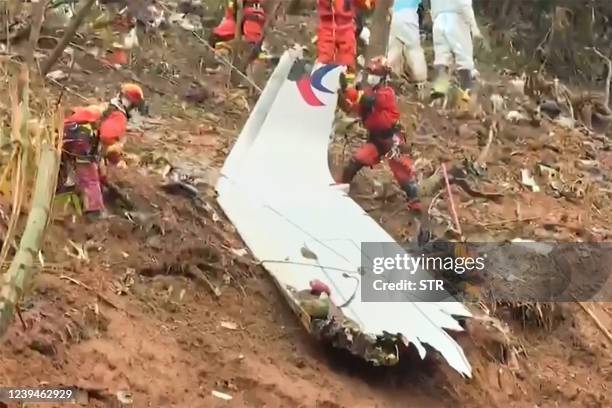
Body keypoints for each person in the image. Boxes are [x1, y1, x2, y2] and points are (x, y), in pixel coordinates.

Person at [336, 56, 421, 211]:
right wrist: (342, 96)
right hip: (375, 139)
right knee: (357, 160)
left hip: (391, 139)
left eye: (375, 73)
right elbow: (354, 107)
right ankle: (341, 187)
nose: (371, 76)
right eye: (370, 73)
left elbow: (367, 100)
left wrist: (350, 89)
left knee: (403, 173)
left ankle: (415, 203)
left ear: (383, 77)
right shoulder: (367, 92)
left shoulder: (386, 93)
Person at [60, 83, 147, 220]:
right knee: (90, 176)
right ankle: (94, 212)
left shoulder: (104, 109)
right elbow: (107, 138)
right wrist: (116, 158)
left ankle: (61, 191)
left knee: (72, 169)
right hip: (81, 138)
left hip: (66, 133)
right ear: (130, 104)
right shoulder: (118, 116)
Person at [429, 0, 482, 103]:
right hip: (456, 19)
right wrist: (474, 27)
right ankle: (465, 99)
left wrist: (435, 19)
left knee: (441, 57)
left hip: (438, 20)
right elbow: (464, 4)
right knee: (464, 59)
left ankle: (440, 92)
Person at [316, 0, 374, 87]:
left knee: (347, 59)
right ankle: (323, 79)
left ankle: (347, 86)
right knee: (326, 56)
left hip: (345, 27)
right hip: (330, 27)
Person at [387, 0, 427, 84]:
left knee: (394, 48)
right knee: (413, 48)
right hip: (409, 15)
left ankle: (391, 72)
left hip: (394, 15)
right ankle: (420, 77)